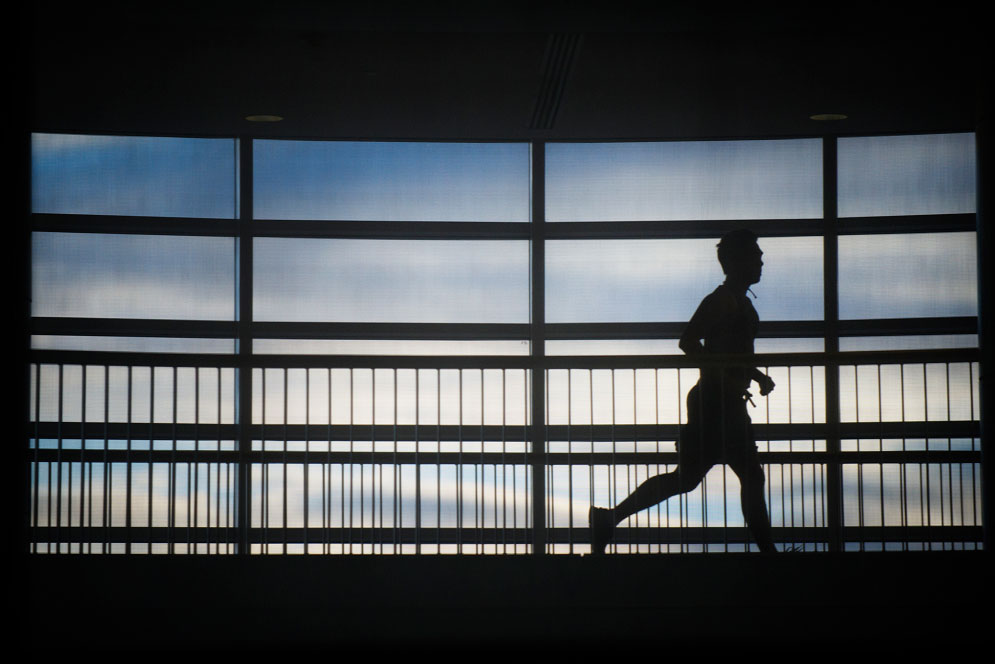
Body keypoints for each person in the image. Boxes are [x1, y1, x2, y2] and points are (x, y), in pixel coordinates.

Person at [588, 229, 777, 554]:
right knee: (741, 476)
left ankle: (609, 519)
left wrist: (755, 376)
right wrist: (730, 377)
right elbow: (688, 341)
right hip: (715, 403)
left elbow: (726, 352)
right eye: (754, 254)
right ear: (734, 261)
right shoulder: (720, 301)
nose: (761, 260)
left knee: (693, 478)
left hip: (721, 402)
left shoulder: (738, 301)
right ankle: (769, 555)